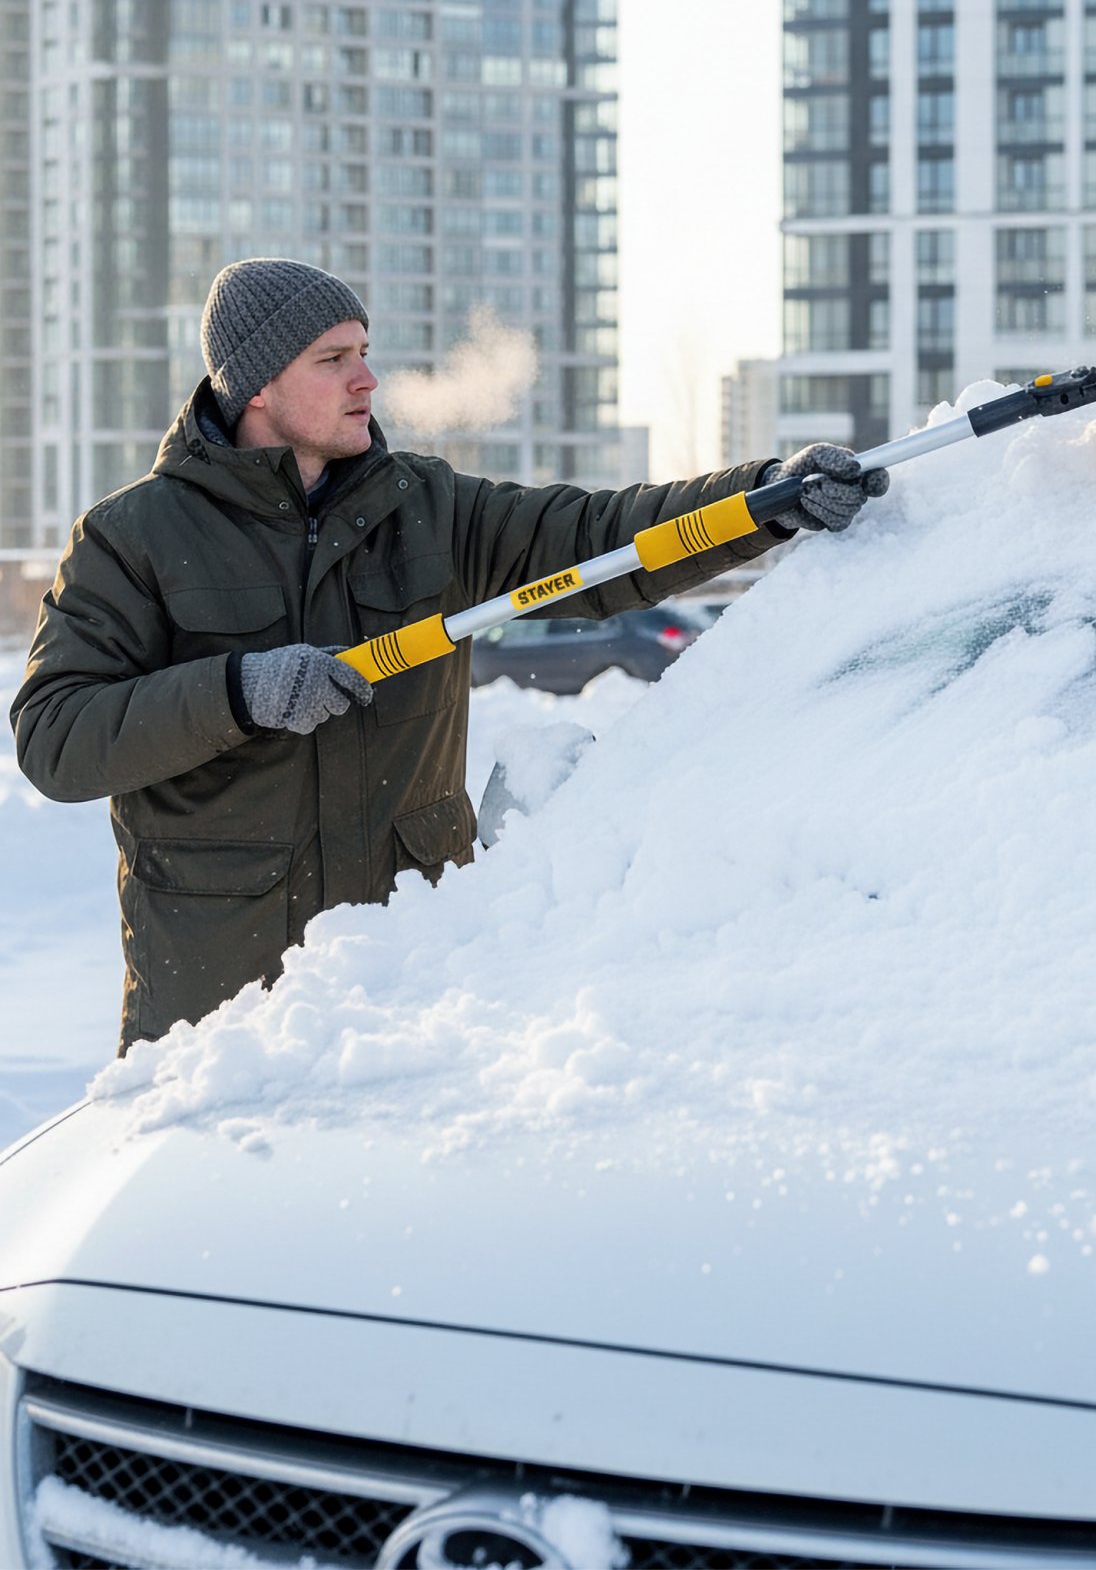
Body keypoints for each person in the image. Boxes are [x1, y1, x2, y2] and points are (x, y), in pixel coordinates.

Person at [10, 259, 888, 1052]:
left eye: (365, 350)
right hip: (221, 1013)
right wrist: (240, 691)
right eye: (333, 358)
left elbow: (601, 537)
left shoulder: (426, 508)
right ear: (256, 388)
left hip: (416, 988)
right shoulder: (134, 537)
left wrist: (768, 499)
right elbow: (56, 737)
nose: (367, 378)